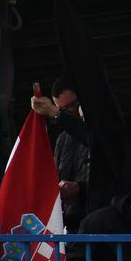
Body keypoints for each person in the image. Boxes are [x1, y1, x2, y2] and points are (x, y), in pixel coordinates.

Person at [30, 78, 90, 233]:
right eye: (63, 110)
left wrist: (79, 189)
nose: (71, 112)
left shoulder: (110, 132)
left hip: (101, 225)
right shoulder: (62, 138)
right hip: (73, 226)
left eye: (73, 105)